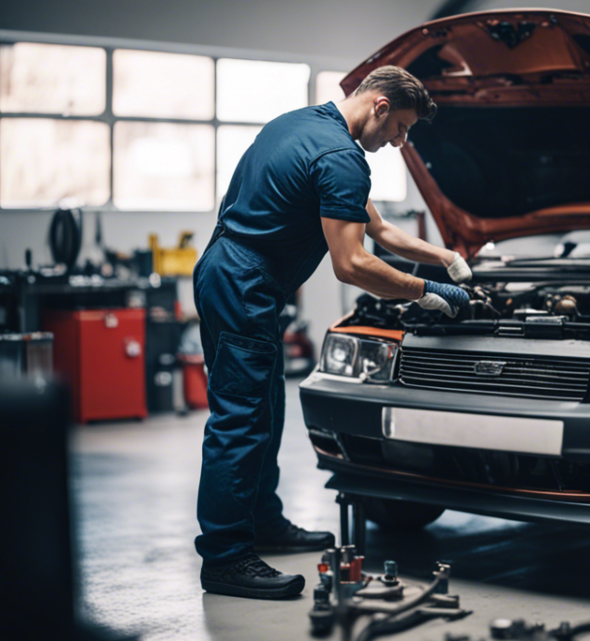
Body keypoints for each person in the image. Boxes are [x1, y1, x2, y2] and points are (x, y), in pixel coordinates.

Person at [193, 66, 470, 599]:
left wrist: (447, 259)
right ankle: (225, 557)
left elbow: (381, 230)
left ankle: (263, 522)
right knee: (240, 418)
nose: (400, 142)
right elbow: (352, 263)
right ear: (381, 106)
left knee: (263, 407)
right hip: (244, 282)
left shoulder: (305, 125)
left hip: (231, 272)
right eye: (401, 128)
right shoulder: (342, 158)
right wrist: (426, 292)